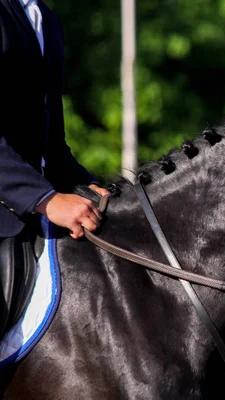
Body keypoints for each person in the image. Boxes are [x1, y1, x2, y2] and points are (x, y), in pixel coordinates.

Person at [0, 0, 109, 336]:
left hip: (31, 214)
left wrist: (85, 186)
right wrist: (46, 199)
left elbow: (50, 144)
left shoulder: (44, 17)